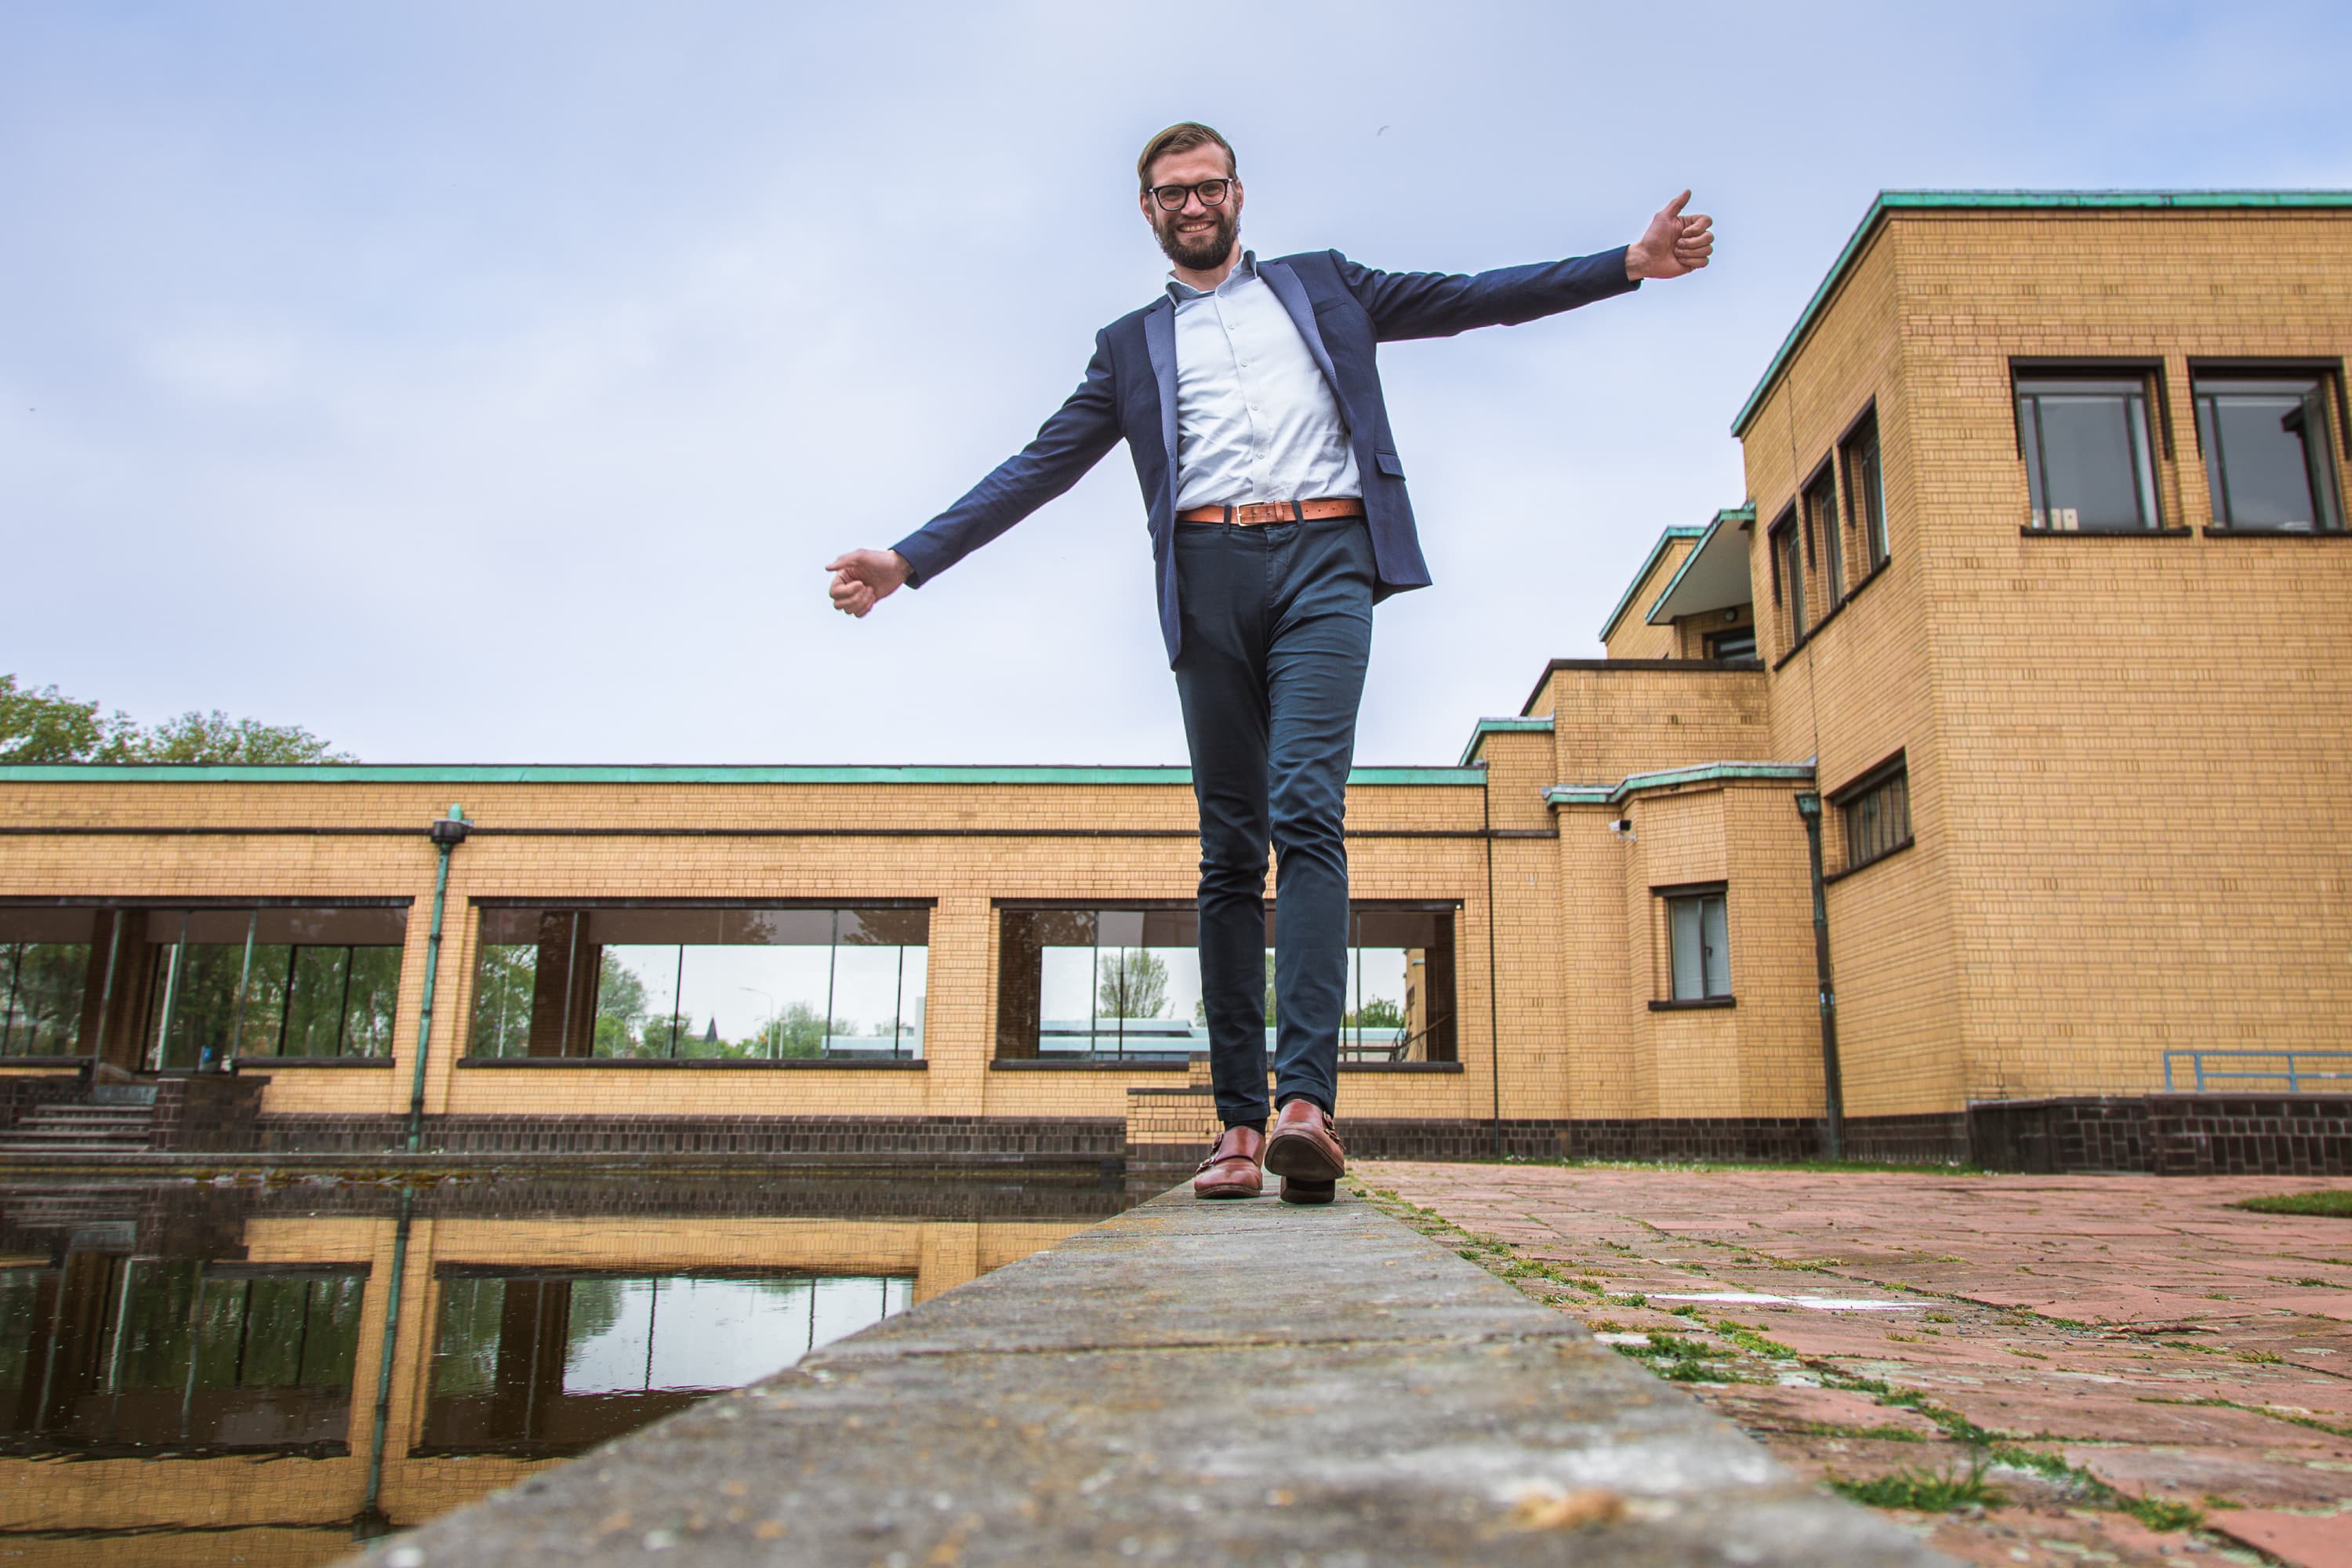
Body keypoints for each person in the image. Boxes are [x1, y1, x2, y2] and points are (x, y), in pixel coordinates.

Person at [829, 122, 1712, 1205]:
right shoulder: (1127, 349)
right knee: (1227, 850)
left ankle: (1306, 1107)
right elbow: (1039, 466)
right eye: (1170, 193)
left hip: (1328, 557)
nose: (1192, 204)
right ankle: (1238, 1128)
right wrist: (910, 558)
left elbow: (1473, 296)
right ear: (1148, 211)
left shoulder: (1325, 285)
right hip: (1208, 578)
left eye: (1207, 186)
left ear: (1238, 193)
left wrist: (1626, 265)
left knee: (1307, 808)